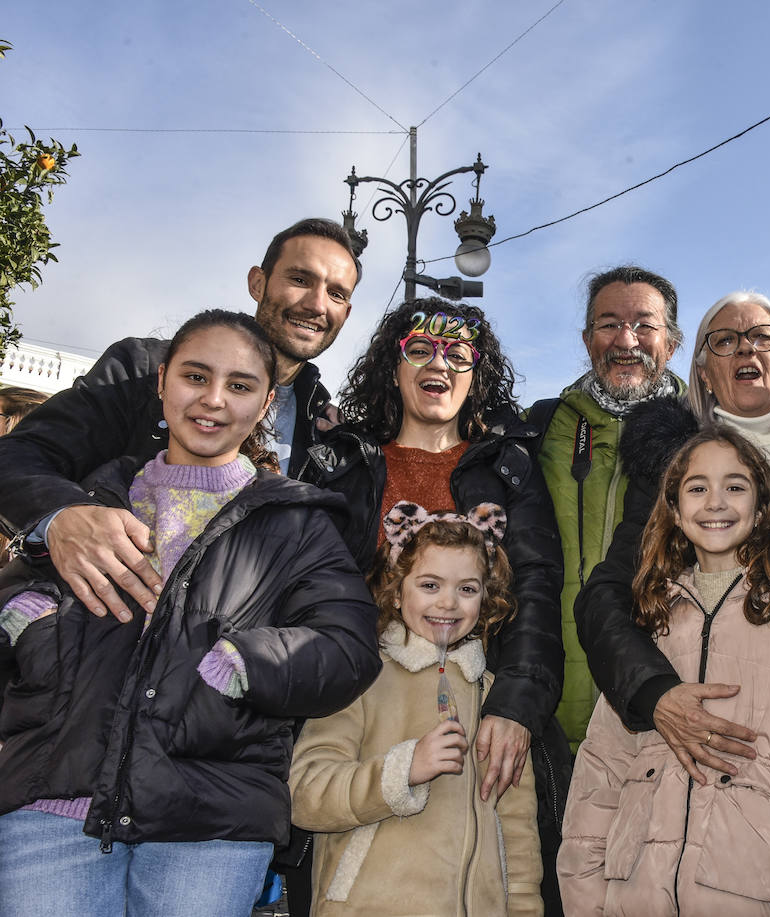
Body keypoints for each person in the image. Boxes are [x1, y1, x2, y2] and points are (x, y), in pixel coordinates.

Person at [0, 310, 382, 917]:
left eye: (239, 385)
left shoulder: (300, 522)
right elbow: (23, 592)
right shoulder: (95, 495)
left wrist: (247, 662)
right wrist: (27, 616)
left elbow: (348, 646)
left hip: (211, 819)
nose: (212, 400)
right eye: (195, 376)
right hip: (54, 800)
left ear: (265, 405)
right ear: (161, 384)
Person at [559, 429, 770, 915]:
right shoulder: (647, 636)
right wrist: (590, 902)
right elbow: (598, 783)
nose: (715, 501)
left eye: (735, 486)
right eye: (697, 488)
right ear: (673, 509)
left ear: (762, 509)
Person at [299, 297, 564, 900]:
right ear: (393, 367)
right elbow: (307, 587)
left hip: (477, 704)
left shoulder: (510, 468)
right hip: (362, 707)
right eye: (419, 349)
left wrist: (516, 706)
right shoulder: (342, 462)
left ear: (476, 375)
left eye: (456, 354)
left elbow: (538, 591)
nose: (437, 364)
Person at [0, 217, 361, 626]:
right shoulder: (139, 369)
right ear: (258, 283)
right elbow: (19, 455)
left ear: (346, 313)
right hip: (99, 639)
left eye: (335, 293)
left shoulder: (333, 439)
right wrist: (61, 516)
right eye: (299, 279)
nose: (316, 304)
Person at [573, 290, 770, 787]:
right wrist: (655, 693)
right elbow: (607, 594)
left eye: (762, 337)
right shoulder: (674, 466)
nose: (747, 350)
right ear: (704, 373)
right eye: (726, 340)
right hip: (731, 722)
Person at [290, 510, 542, 916]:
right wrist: (402, 769)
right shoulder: (359, 678)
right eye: (429, 584)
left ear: (487, 596)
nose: (448, 602)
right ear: (394, 590)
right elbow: (306, 792)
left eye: (467, 588)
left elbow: (517, 828)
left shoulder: (496, 699)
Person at [522, 265, 685, 754]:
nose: (626, 339)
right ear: (588, 338)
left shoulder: (705, 435)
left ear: (671, 343)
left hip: (664, 717)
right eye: (609, 323)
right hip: (548, 715)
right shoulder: (537, 429)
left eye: (644, 324)